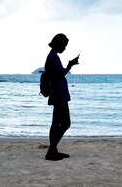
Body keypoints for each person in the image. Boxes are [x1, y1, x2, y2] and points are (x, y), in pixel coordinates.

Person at [44, 33, 79, 161]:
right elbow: (59, 75)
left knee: (57, 123)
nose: (65, 48)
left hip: (58, 92)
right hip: (58, 93)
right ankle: (51, 150)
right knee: (65, 123)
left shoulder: (52, 56)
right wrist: (70, 65)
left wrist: (69, 65)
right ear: (59, 44)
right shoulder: (53, 57)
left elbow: (57, 74)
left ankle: (53, 150)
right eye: (64, 45)